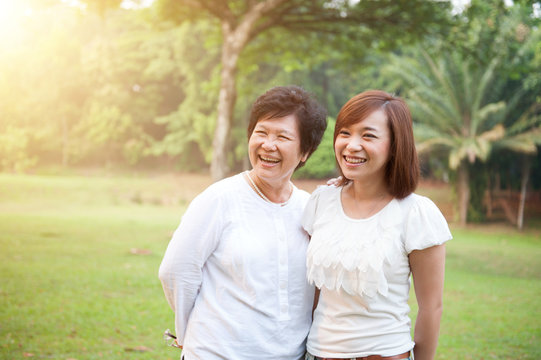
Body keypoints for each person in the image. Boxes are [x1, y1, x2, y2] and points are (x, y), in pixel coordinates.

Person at [159, 85, 327, 360]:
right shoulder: (219, 199)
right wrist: (192, 332)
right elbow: (176, 271)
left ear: (305, 151)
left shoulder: (309, 208)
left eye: (282, 136)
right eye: (261, 132)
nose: (268, 145)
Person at [302, 90, 452, 360]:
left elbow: (431, 307)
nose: (351, 145)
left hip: (384, 354)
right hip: (318, 354)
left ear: (396, 145)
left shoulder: (416, 213)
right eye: (345, 132)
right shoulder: (321, 201)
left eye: (368, 135)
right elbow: (315, 290)